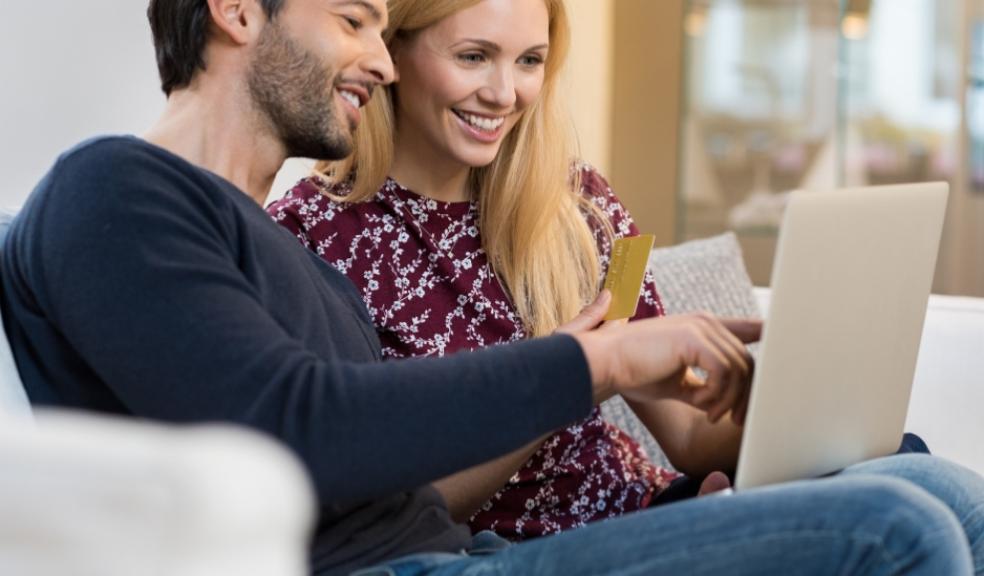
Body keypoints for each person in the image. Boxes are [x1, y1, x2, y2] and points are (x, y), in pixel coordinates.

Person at [0, 0, 980, 575]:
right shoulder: (115, 189)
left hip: (457, 558)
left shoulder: (272, 256)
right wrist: (587, 362)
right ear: (238, 9)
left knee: (939, 488)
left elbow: (377, 447)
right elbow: (297, 433)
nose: (379, 61)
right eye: (355, 19)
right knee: (898, 530)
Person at [266, 0, 736, 541]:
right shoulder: (311, 238)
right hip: (509, 553)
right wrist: (570, 376)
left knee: (854, 488)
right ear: (392, 49)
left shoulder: (580, 205)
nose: (504, 94)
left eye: (529, 61)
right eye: (473, 56)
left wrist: (779, 407)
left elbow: (688, 434)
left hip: (657, 511)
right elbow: (389, 513)